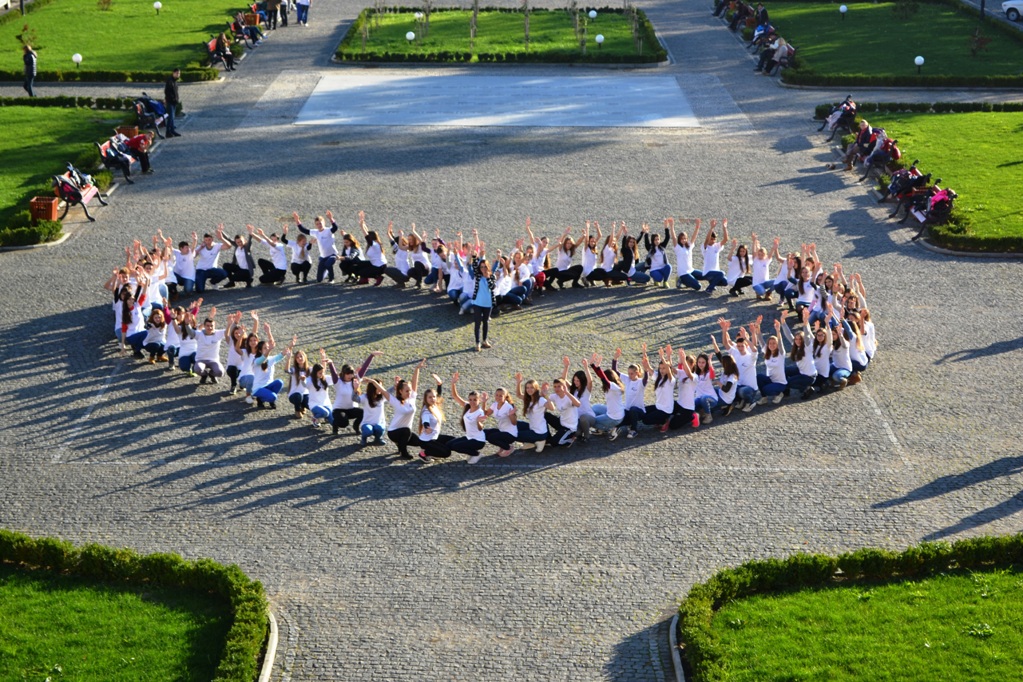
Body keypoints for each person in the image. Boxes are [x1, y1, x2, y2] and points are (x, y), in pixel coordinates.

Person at [164, 68, 181, 137]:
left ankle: (172, 131)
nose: (178, 75)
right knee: (170, 117)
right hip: (170, 102)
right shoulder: (170, 81)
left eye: (179, 73)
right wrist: (173, 99)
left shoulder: (174, 81)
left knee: (172, 117)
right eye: (177, 73)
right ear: (173, 73)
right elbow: (167, 92)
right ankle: (168, 132)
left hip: (173, 102)